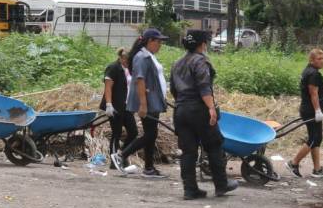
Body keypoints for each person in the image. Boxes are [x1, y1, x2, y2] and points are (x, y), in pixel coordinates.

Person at [170, 29, 238, 199]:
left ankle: (190, 189)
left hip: (180, 110)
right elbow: (204, 87)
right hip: (199, 109)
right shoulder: (200, 61)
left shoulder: (177, 63)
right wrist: (211, 108)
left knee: (188, 151)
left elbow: (173, 90)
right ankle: (221, 185)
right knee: (214, 145)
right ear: (202, 44)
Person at [110, 28, 169, 178]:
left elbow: (153, 79)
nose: (160, 45)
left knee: (152, 134)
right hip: (147, 102)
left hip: (153, 101)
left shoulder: (149, 55)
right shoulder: (142, 57)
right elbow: (140, 80)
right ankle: (121, 155)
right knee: (150, 134)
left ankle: (149, 168)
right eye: (158, 41)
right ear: (150, 41)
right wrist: (143, 104)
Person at [287, 48, 323, 178]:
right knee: (314, 138)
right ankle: (294, 163)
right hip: (311, 110)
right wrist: (317, 111)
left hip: (309, 109)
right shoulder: (313, 74)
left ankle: (317, 169)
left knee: (317, 138)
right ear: (312, 60)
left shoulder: (309, 70)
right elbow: (314, 94)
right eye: (319, 59)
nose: (322, 61)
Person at [101, 48, 138, 166]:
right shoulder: (113, 68)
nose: (128, 62)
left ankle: (122, 154)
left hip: (126, 106)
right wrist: (108, 104)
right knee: (116, 132)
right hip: (115, 106)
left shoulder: (128, 69)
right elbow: (108, 87)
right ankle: (113, 161)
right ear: (121, 58)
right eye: (127, 59)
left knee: (133, 132)